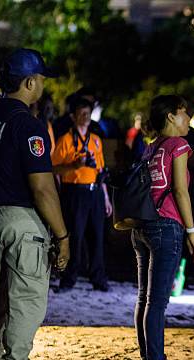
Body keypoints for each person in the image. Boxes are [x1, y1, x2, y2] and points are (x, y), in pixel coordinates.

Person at [0, 48, 69, 360]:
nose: (42, 84)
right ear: (29, 82)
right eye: (41, 79)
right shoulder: (29, 124)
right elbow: (42, 188)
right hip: (21, 220)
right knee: (26, 302)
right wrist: (62, 236)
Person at [132, 95, 194, 360]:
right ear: (171, 117)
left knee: (144, 298)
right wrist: (192, 232)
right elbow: (181, 191)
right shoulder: (178, 145)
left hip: (143, 226)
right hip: (166, 225)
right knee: (157, 301)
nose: (188, 119)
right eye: (184, 113)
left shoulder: (151, 148)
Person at [51, 97, 112, 292]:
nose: (86, 117)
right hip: (74, 193)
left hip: (94, 192)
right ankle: (68, 279)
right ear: (73, 116)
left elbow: (101, 172)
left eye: (88, 113)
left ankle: (98, 279)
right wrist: (74, 166)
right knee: (75, 237)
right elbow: (54, 169)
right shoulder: (66, 140)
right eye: (82, 114)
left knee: (97, 238)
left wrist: (106, 198)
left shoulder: (95, 140)